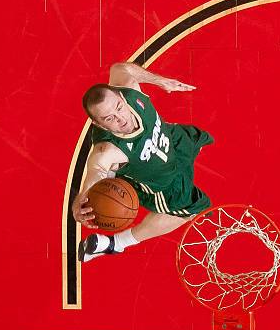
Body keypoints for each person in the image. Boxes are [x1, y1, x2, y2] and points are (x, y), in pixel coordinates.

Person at [72, 62, 213, 262]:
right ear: (98, 124)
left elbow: (119, 68)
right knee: (192, 209)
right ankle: (114, 244)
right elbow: (96, 169)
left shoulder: (129, 88)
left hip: (172, 140)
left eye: (119, 108)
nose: (120, 118)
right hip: (162, 184)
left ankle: (118, 173)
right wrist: (81, 199)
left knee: (199, 138)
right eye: (109, 118)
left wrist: (160, 81)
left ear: (121, 96)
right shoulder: (108, 149)